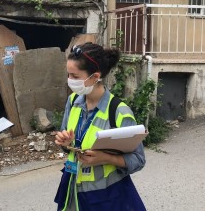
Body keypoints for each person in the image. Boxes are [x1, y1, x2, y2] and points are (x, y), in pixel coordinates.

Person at [54, 42, 146, 211]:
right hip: (72, 190)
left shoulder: (119, 112)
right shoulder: (73, 101)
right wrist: (65, 144)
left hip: (105, 197)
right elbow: (68, 148)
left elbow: (139, 160)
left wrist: (106, 158)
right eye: (68, 75)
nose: (70, 81)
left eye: (75, 77)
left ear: (95, 77)